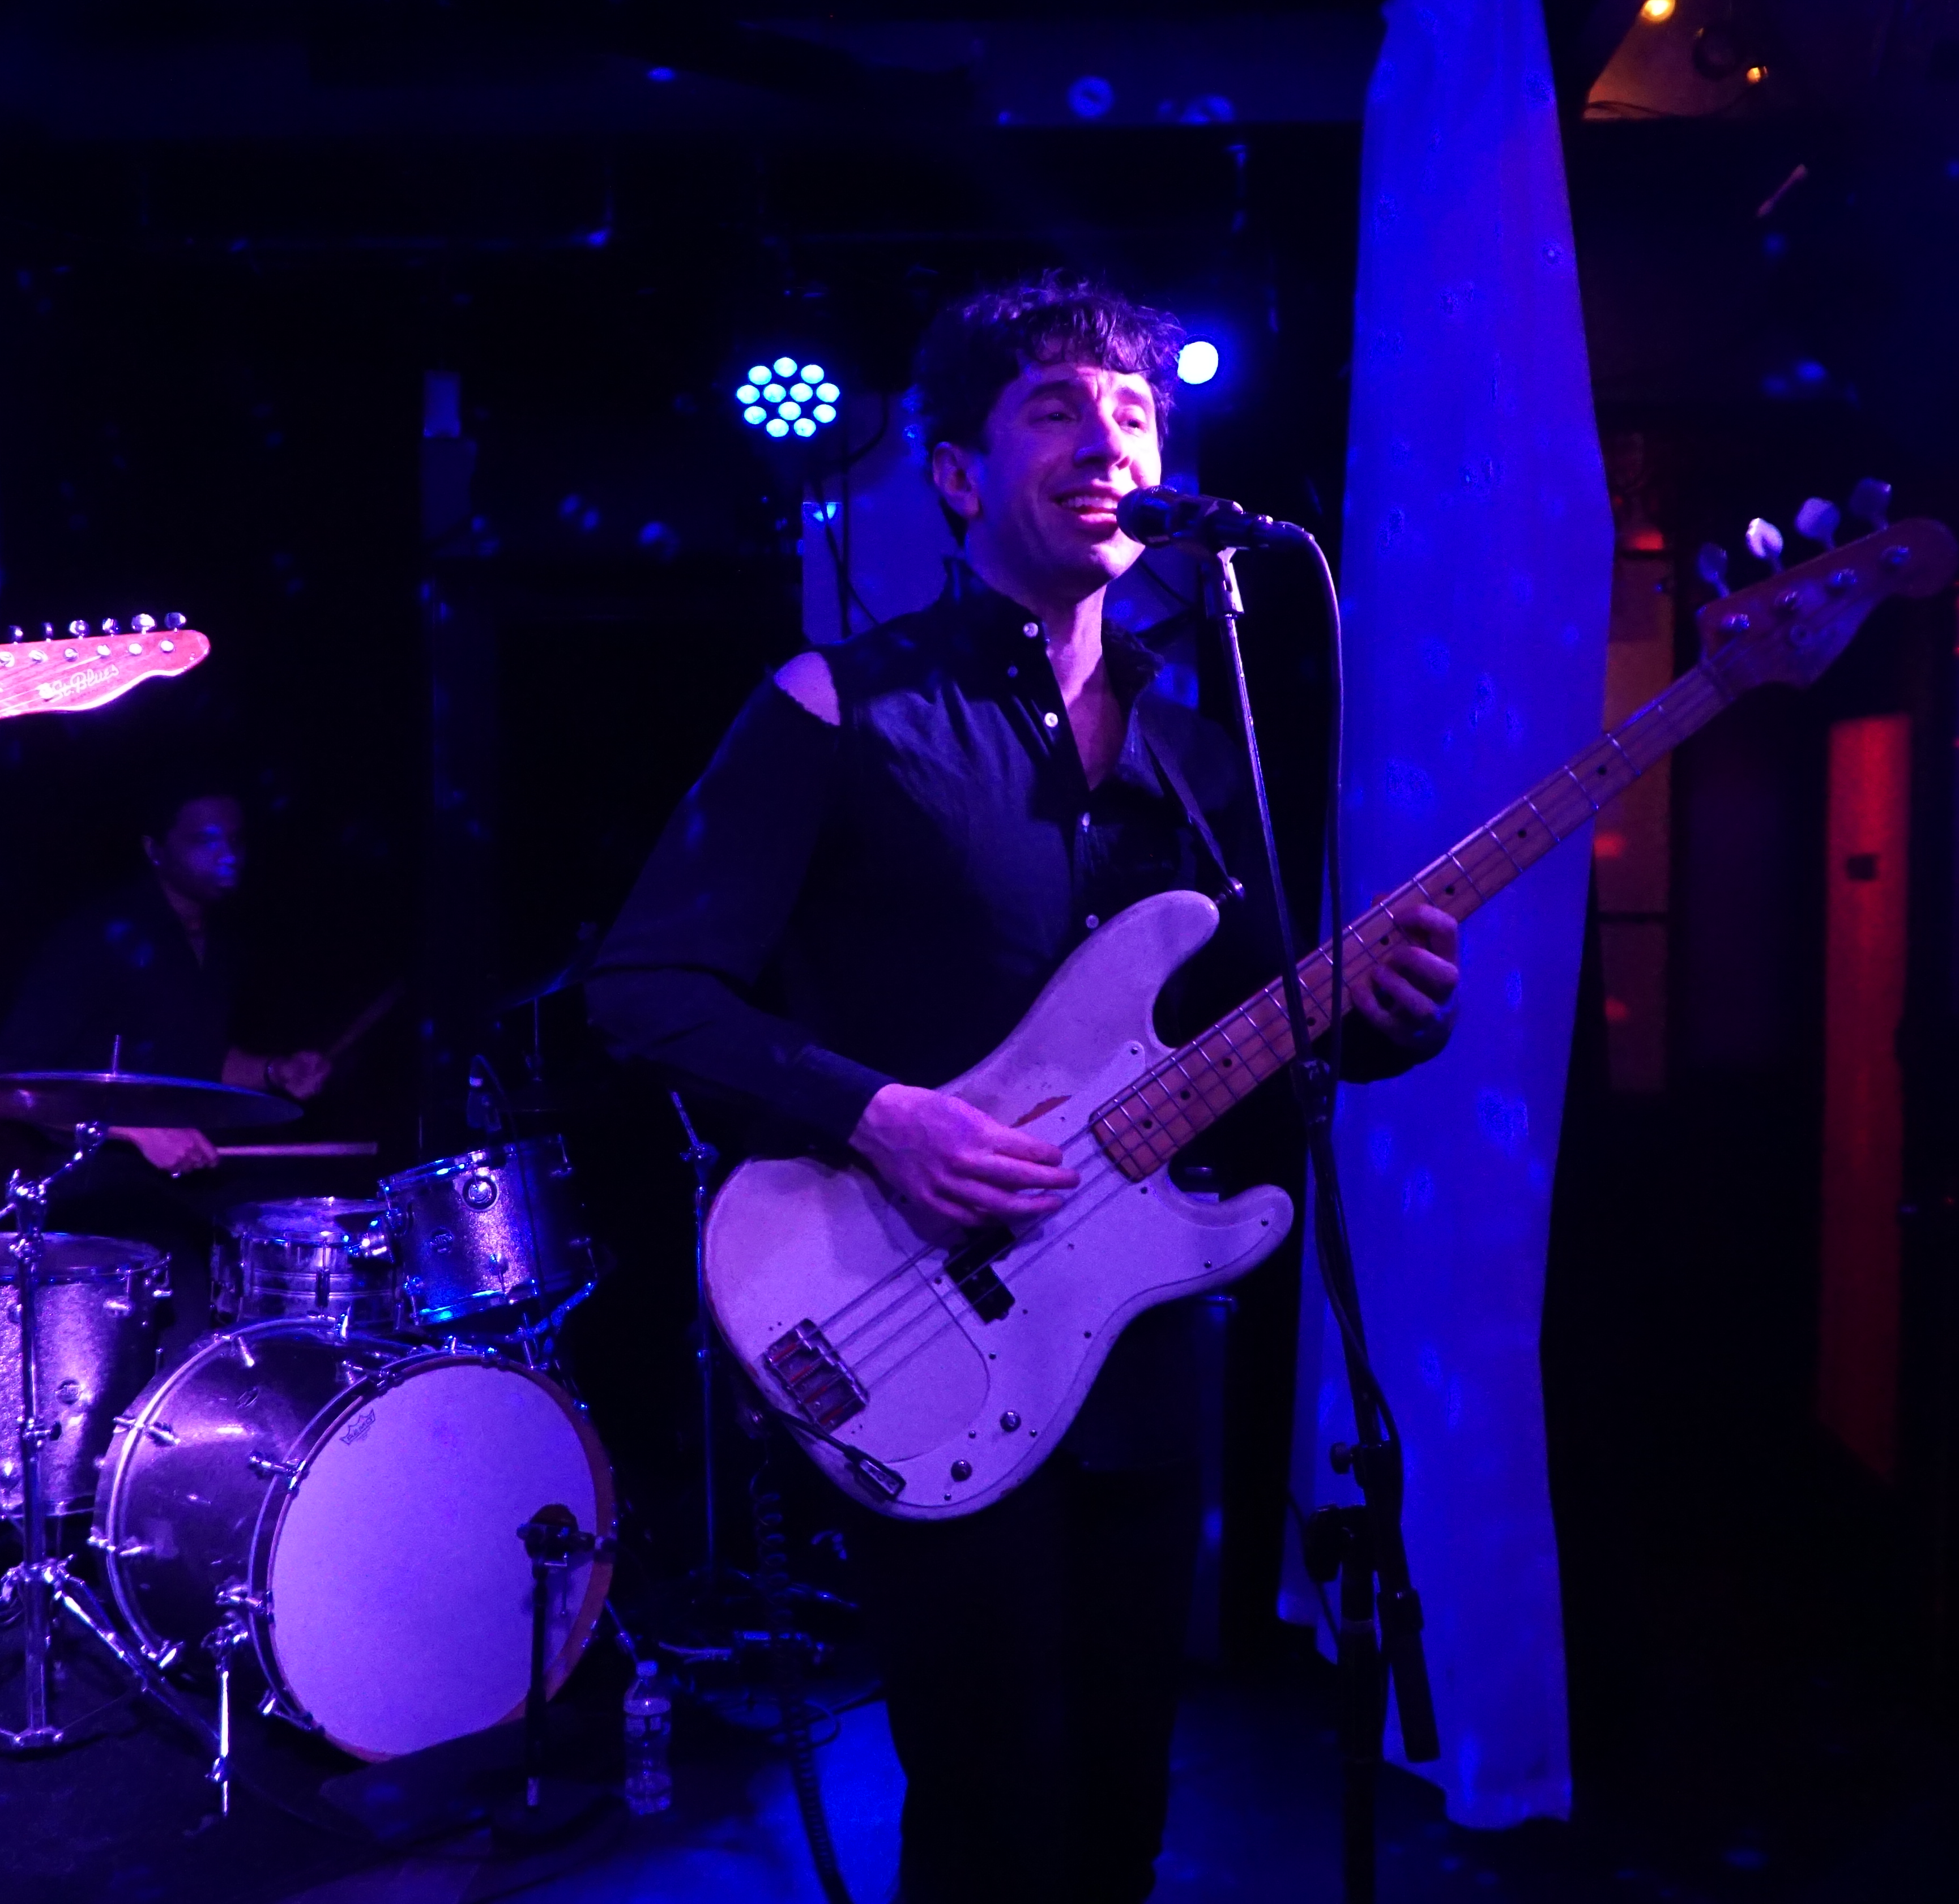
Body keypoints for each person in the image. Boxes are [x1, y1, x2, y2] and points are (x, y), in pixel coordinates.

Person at [588, 275, 1462, 1902]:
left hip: (1136, 1345)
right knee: (987, 1803)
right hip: (916, 1314)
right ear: (957, 475)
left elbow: (1261, 1039)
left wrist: (1388, 1015)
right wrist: (879, 1114)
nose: (1108, 441)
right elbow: (644, 986)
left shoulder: (1196, 745)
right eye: (1055, 410)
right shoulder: (839, 705)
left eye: (1133, 413)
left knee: (1124, 1803)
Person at [0, 779, 332, 1218]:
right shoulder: (95, 937)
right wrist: (141, 1132)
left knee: (302, 1213)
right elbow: (17, 1079)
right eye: (205, 841)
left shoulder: (223, 943)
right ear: (155, 850)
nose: (228, 855)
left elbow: (196, 1061)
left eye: (236, 840)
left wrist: (274, 1071)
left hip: (185, 1185)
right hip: (95, 1184)